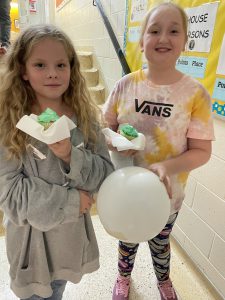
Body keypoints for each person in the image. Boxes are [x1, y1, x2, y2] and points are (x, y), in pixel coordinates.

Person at [103, 3, 214, 300]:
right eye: (154, 30)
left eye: (173, 30)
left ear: (185, 42)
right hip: (125, 190)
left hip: (168, 194)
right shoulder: (125, 85)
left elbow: (201, 151)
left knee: (161, 242)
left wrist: (168, 167)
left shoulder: (195, 94)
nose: (163, 37)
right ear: (142, 42)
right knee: (128, 240)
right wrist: (115, 141)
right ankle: (123, 277)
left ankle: (163, 280)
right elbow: (105, 128)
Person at [0, 24, 114, 300]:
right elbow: (10, 196)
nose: (52, 73)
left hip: (69, 243)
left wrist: (69, 155)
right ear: (23, 71)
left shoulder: (84, 118)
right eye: (40, 64)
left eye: (61, 64)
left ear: (72, 69)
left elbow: (105, 174)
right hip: (32, 250)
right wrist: (73, 202)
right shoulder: (8, 123)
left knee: (58, 291)